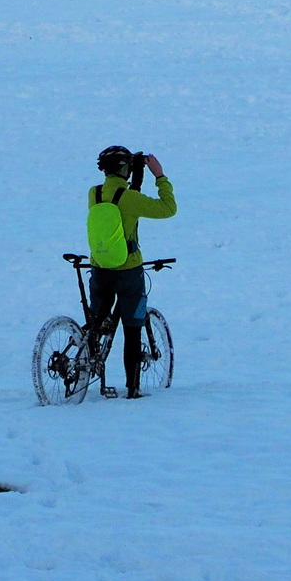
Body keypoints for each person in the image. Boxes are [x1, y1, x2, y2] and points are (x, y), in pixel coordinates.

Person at [87, 144, 177, 398]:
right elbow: (169, 209)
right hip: (128, 271)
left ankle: (89, 363)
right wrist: (159, 176)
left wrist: (134, 177)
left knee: (97, 320)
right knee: (132, 328)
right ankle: (133, 389)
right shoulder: (130, 199)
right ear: (125, 169)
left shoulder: (93, 194)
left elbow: (122, 203)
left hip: (99, 268)